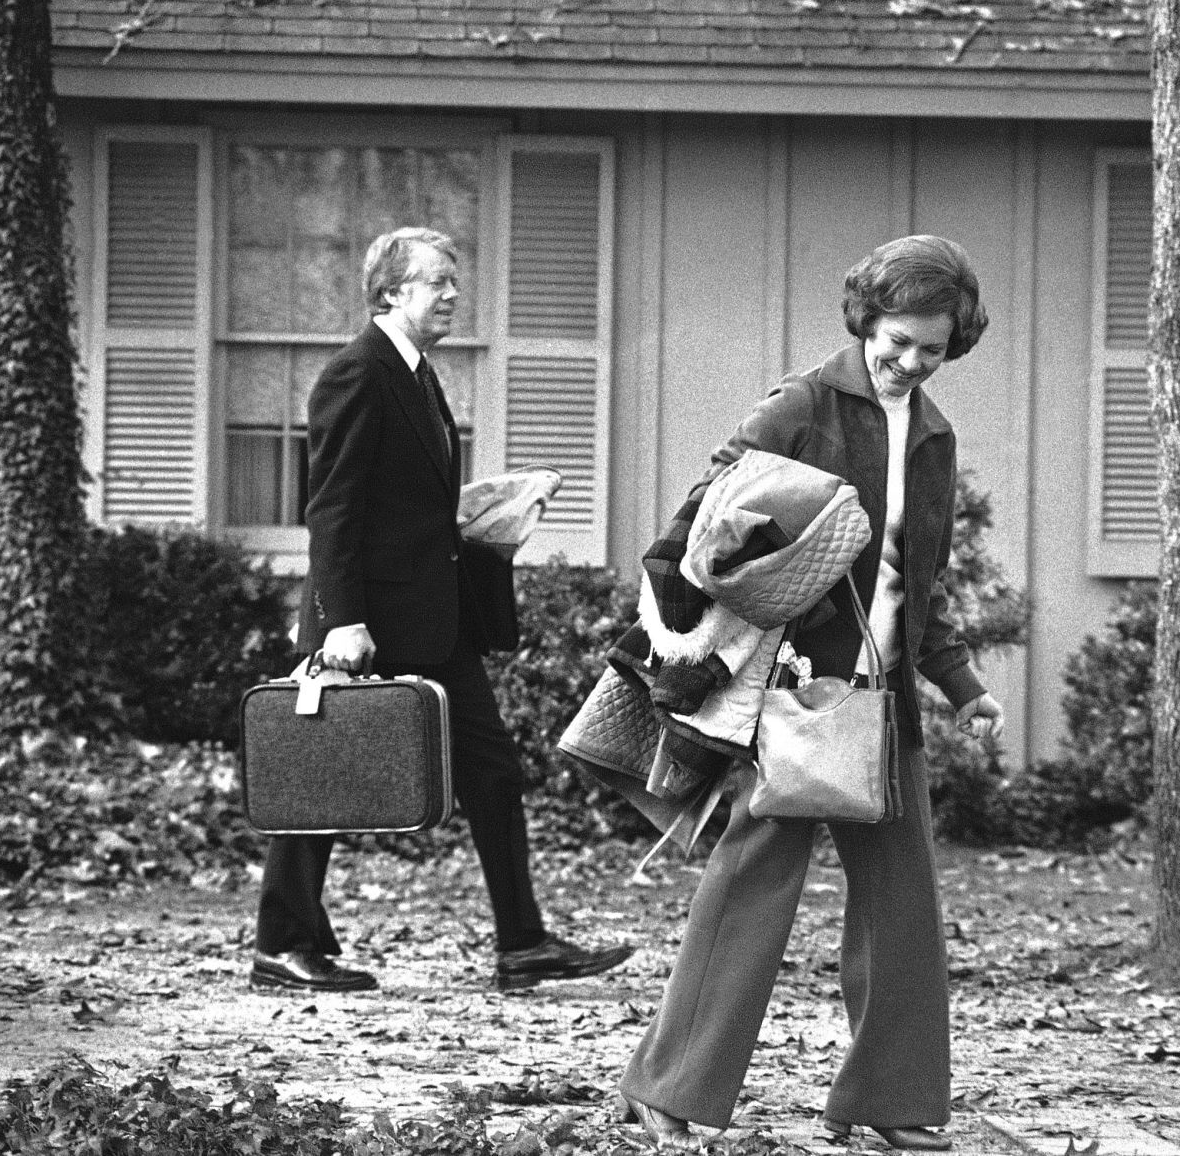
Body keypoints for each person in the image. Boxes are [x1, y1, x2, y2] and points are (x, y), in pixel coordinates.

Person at [615, 235, 1004, 1150]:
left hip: (883, 701)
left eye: (932, 349)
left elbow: (918, 580)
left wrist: (959, 685)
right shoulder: (800, 404)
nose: (909, 361)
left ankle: (890, 1099)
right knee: (750, 883)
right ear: (867, 318)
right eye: (896, 340)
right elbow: (696, 527)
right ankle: (667, 1085)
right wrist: (699, 641)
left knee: (903, 904)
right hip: (789, 689)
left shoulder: (935, 436)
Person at [250, 227, 634, 994]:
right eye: (437, 282)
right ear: (392, 291)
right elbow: (331, 509)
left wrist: (497, 507)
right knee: (327, 773)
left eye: (454, 280)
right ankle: (282, 942)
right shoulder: (357, 372)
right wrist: (341, 621)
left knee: (491, 769)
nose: (454, 294)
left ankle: (522, 943)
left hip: (431, 618)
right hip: (369, 621)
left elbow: (403, 505)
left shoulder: (418, 375)